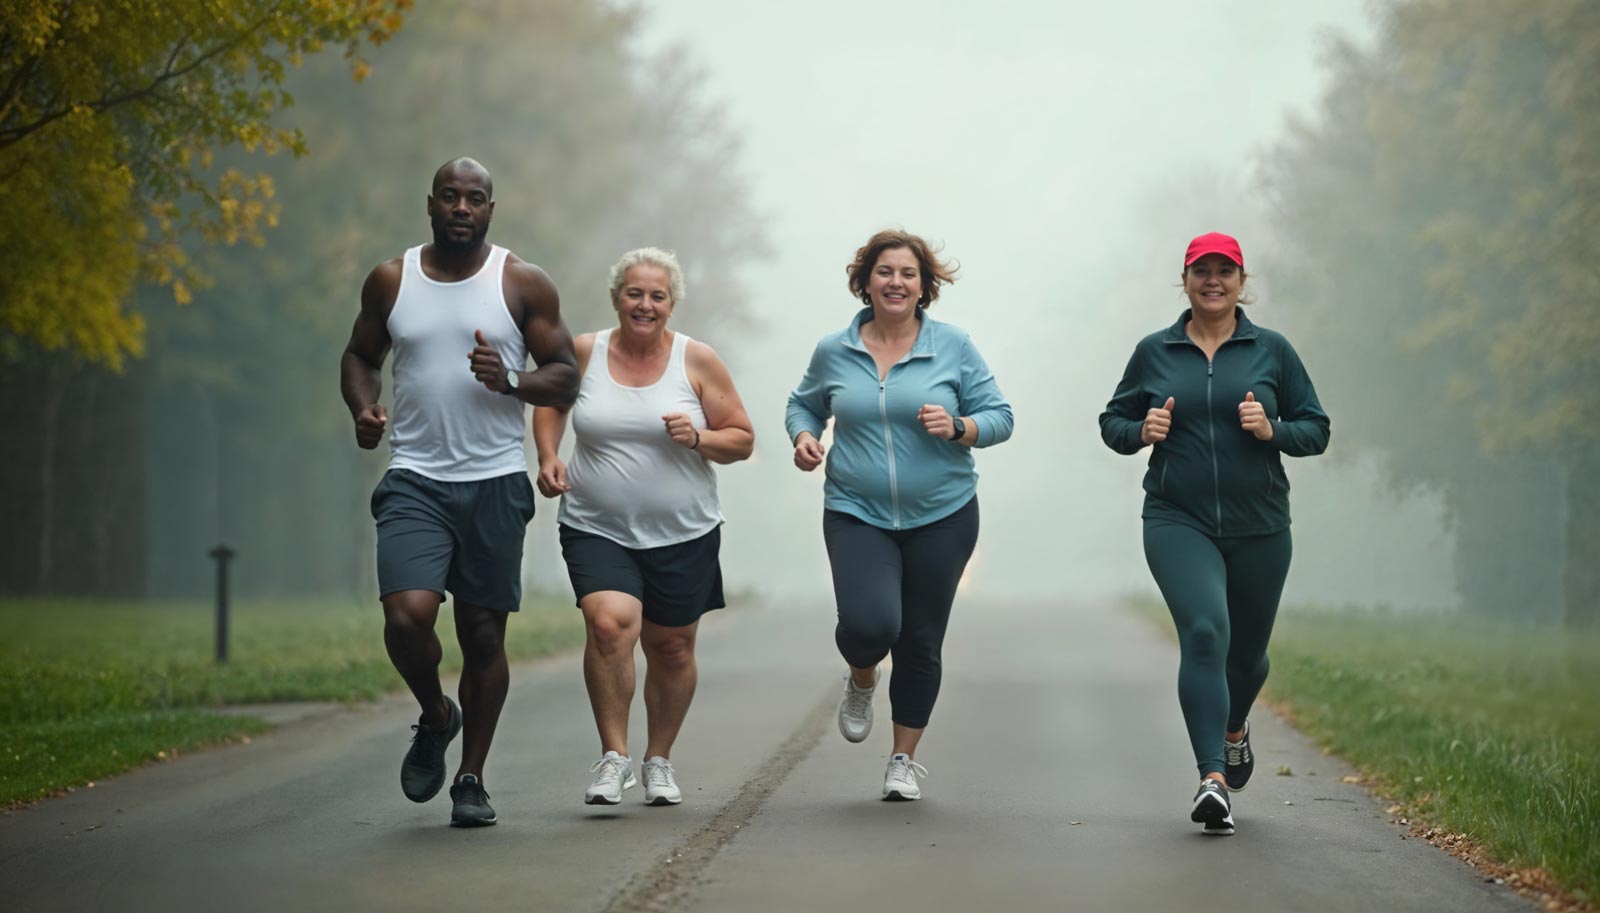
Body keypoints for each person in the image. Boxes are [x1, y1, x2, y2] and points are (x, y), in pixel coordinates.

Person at [340, 158, 579, 827]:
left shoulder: (522, 282)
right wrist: (363, 407)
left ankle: (471, 777)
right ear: (431, 204)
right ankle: (436, 714)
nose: (462, 208)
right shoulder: (394, 279)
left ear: (490, 210)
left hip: (495, 479)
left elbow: (564, 377)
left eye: (475, 198)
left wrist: (510, 381)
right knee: (407, 615)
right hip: (416, 475)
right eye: (451, 196)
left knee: (482, 633)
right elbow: (360, 356)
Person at [1098, 231, 1330, 835]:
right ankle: (1212, 781)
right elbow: (1113, 421)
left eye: (1225, 271)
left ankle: (1234, 729)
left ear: (1241, 282)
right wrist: (1140, 429)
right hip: (1178, 517)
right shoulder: (1155, 352)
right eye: (1202, 270)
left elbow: (1317, 429)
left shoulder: (1272, 351)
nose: (1213, 280)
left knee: (1246, 659)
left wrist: (1272, 429)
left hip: (1260, 525)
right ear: (1185, 280)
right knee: (1205, 633)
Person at [785, 229, 1013, 801]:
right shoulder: (834, 350)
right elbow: (803, 403)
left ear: (924, 286)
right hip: (856, 511)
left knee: (920, 639)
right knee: (870, 625)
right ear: (865, 281)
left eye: (908, 274)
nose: (896, 282)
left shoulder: (953, 346)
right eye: (885, 271)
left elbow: (1000, 416)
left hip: (944, 513)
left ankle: (902, 761)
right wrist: (805, 437)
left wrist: (961, 428)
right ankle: (862, 675)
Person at [533, 247, 754, 807]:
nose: (645, 304)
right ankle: (614, 757)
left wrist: (700, 437)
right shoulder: (584, 352)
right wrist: (548, 454)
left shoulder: (697, 361)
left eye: (657, 296)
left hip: (684, 530)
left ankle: (658, 759)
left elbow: (743, 439)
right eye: (634, 293)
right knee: (610, 625)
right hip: (596, 524)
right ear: (616, 298)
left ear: (671, 304)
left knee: (672, 647)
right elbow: (551, 402)